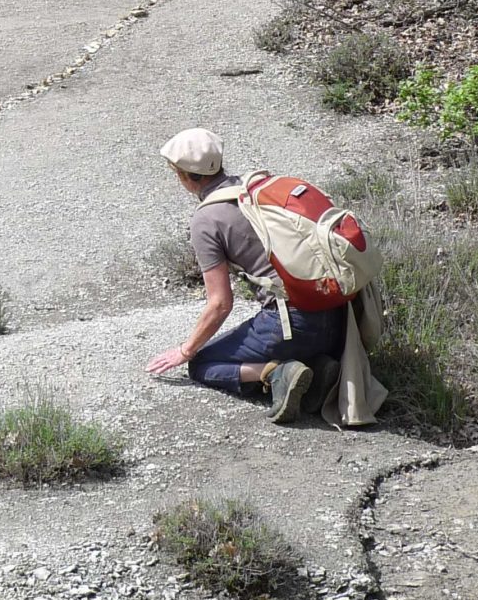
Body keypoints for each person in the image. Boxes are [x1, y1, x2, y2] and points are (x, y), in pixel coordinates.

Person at [145, 127, 347, 422]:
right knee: (274, 338)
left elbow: (219, 303)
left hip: (294, 324)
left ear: (185, 177)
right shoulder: (255, 188)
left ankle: (277, 372)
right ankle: (316, 369)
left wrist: (185, 350)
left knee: (203, 363)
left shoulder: (205, 220)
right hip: (337, 319)